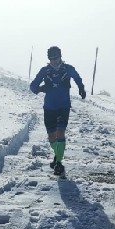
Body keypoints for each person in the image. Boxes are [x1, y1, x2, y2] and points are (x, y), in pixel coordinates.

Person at [29, 45, 86, 175]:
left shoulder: (68, 69)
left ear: (60, 57)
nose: (54, 61)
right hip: (49, 107)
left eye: (56, 58)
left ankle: (59, 163)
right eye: (51, 58)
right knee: (51, 136)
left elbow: (77, 78)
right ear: (49, 59)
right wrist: (42, 88)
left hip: (63, 106)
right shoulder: (45, 71)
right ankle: (57, 154)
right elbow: (33, 86)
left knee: (60, 132)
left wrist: (81, 88)